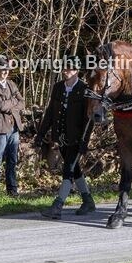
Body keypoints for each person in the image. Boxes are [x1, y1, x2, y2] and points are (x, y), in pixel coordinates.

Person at [35, 54, 96, 218]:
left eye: (68, 68)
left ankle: (57, 206)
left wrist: (85, 140)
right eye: (64, 67)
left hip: (77, 139)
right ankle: (88, 201)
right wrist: (40, 134)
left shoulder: (85, 90)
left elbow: (89, 119)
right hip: (61, 137)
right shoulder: (58, 87)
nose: (65, 70)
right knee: (75, 170)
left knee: (68, 170)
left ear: (76, 70)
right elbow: (50, 113)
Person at [0, 56, 25, 196]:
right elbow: (0, 105)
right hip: (0, 127)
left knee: (12, 160)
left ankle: (12, 190)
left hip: (14, 127)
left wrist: (10, 103)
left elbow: (22, 102)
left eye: (7, 70)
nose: (5, 72)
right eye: (2, 70)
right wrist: (13, 102)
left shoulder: (11, 84)